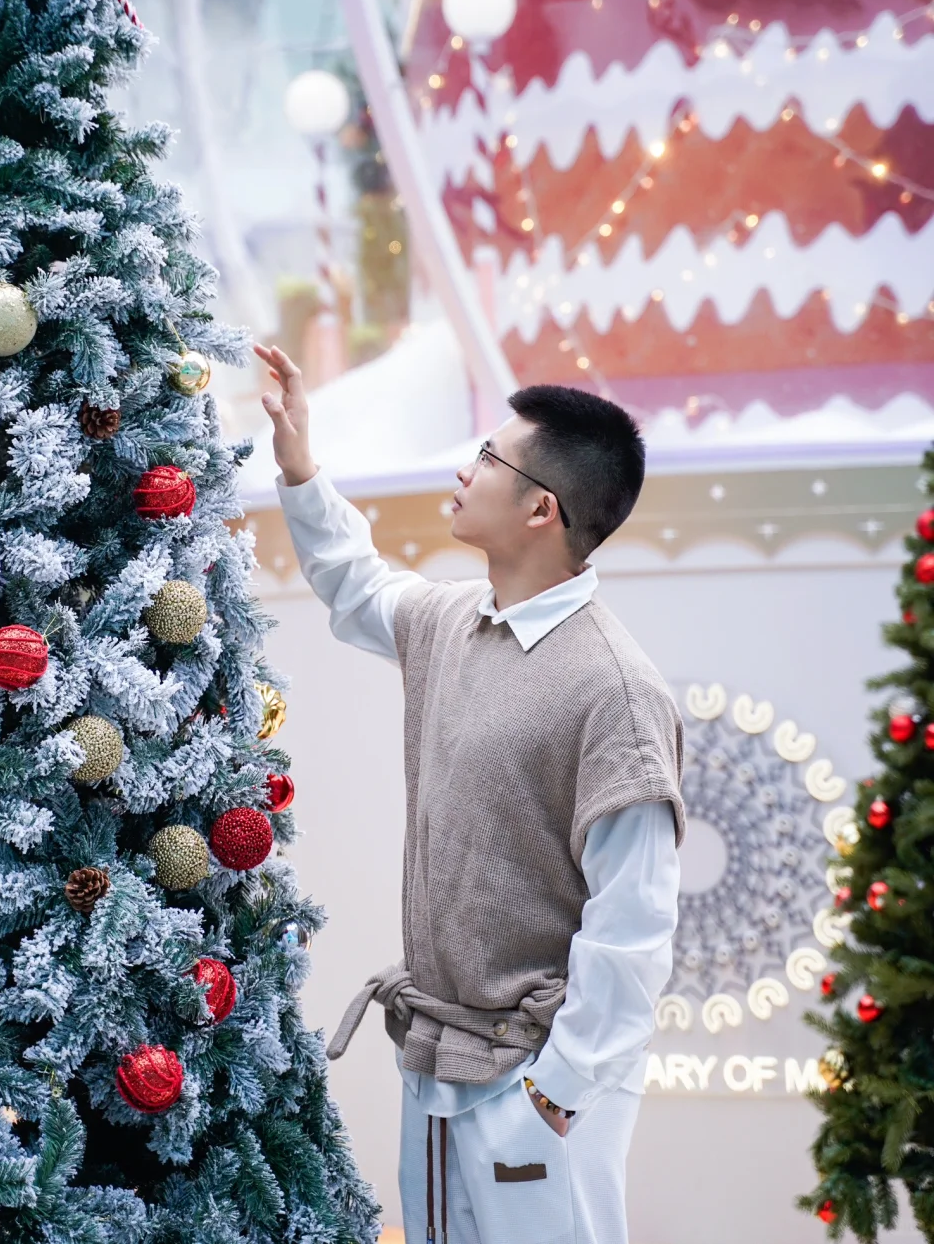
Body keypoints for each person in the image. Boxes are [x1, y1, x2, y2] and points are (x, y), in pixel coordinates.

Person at [255, 343, 685, 1244]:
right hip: (437, 1060)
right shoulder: (452, 621)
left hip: (537, 1084)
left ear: (541, 507)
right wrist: (298, 465)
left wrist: (556, 1092)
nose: (464, 469)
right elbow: (356, 585)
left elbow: (633, 924)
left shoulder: (617, 692)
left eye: (487, 456)